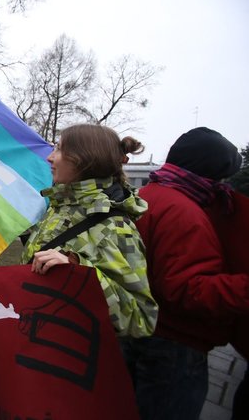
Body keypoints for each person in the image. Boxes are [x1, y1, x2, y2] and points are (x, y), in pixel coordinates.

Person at [120, 127, 249, 420]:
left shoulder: (148, 196)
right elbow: (185, 289)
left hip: (139, 331)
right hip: (174, 349)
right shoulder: (185, 213)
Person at [20, 123, 158, 339]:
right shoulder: (60, 207)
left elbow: (139, 318)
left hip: (66, 355)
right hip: (36, 338)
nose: (50, 157)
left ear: (83, 160)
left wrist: (79, 272)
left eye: (58, 149)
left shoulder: (115, 227)